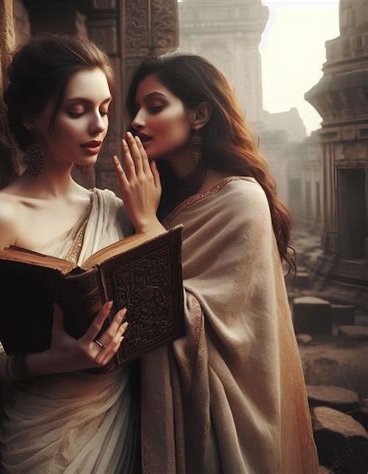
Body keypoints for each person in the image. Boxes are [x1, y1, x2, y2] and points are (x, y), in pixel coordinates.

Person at [111, 52, 320, 473]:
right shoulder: (162, 197)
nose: (136, 120)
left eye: (155, 106)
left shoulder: (242, 200)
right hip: (138, 401)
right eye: (135, 108)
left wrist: (147, 223)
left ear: (201, 114)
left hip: (217, 413)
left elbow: (186, 315)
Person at [0, 35, 139, 473]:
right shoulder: (0, 214)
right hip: (38, 439)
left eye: (103, 108)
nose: (98, 125)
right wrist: (63, 359)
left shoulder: (112, 209)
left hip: (114, 422)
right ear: (31, 118)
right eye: (76, 111)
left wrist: (149, 223)